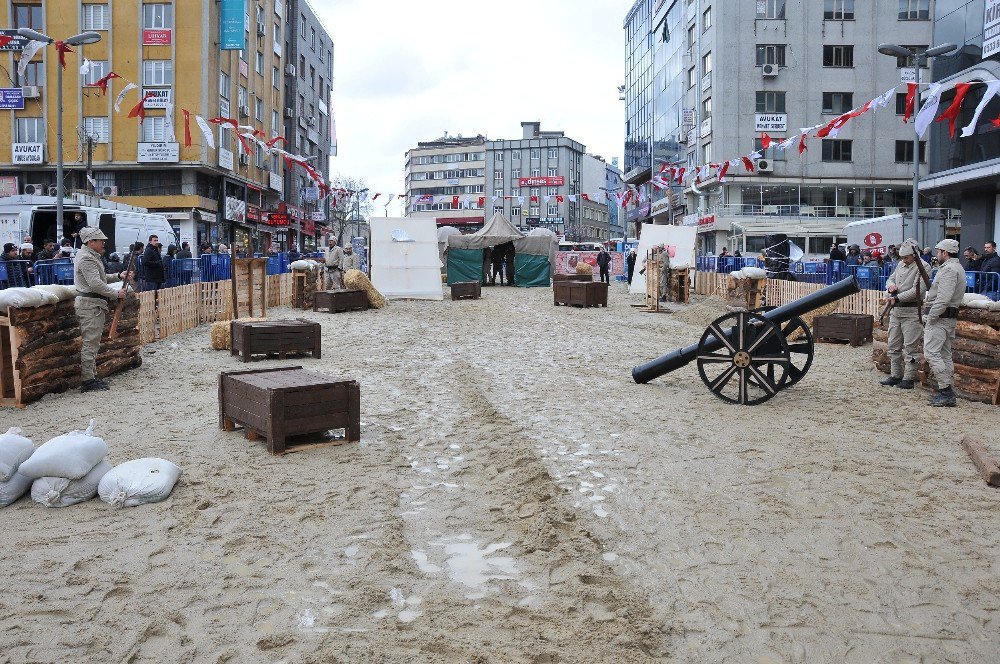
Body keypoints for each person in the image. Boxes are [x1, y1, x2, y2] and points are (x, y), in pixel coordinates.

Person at [73, 228, 130, 392]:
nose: (103, 243)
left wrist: (118, 276)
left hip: (92, 304)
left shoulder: (90, 256)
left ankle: (92, 375)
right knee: (90, 343)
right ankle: (88, 380)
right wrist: (115, 293)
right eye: (100, 240)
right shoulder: (86, 258)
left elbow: (100, 278)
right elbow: (95, 284)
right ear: (91, 242)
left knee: (93, 342)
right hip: (90, 305)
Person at [923, 239, 967, 407]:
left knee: (931, 353)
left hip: (940, 318)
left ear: (945, 252)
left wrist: (931, 316)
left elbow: (943, 299)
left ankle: (946, 391)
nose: (937, 254)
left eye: (939, 251)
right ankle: (947, 390)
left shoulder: (949, 269)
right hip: (947, 318)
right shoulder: (957, 268)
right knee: (944, 354)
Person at [880, 240, 929, 390]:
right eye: (902, 258)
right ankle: (896, 374)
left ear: (914, 255)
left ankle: (909, 377)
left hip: (912, 311)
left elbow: (918, 291)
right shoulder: (901, 265)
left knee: (910, 347)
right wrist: (890, 287)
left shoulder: (924, 267)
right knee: (893, 345)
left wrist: (897, 297)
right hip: (897, 310)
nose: (903, 260)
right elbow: (891, 278)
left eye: (906, 257)